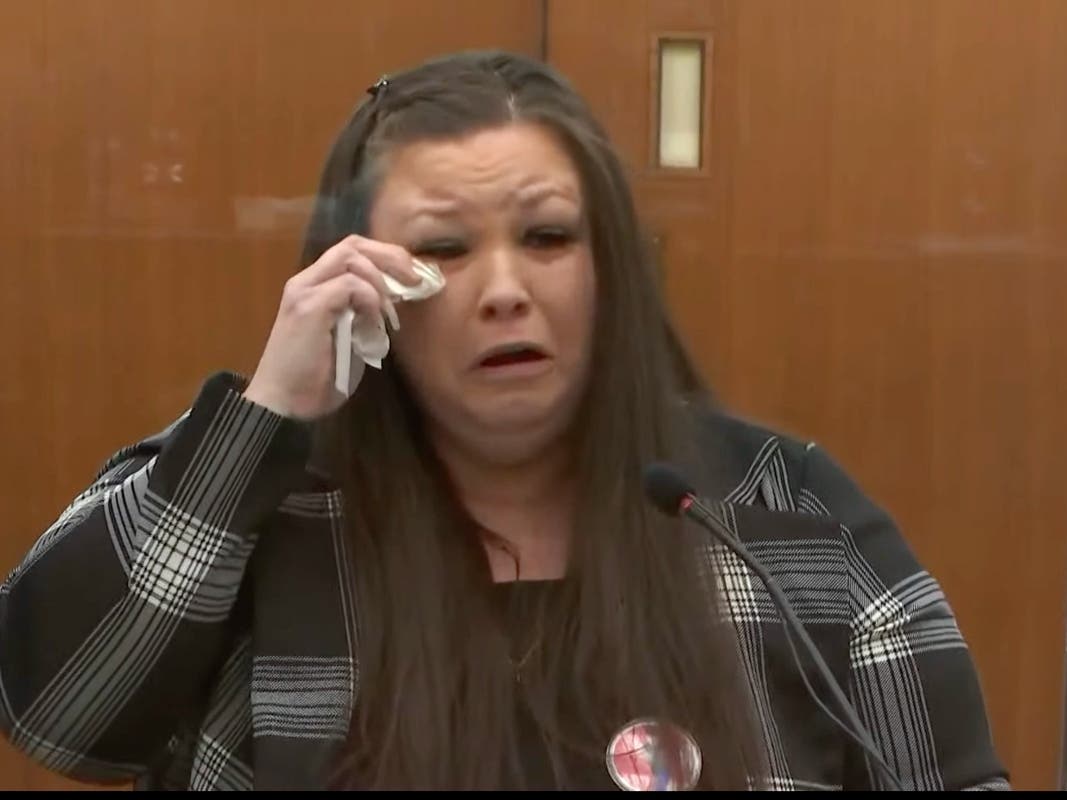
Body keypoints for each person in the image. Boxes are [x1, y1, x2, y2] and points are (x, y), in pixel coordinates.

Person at [0, 50, 1009, 791]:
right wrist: (267, 413)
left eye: (547, 236)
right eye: (443, 247)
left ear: (608, 263)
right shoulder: (252, 506)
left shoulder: (780, 514)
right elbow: (61, 717)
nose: (504, 290)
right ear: (365, 283)